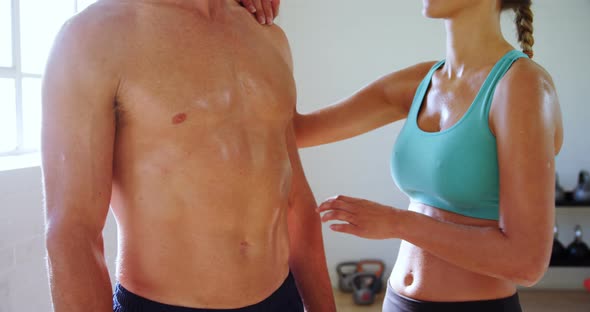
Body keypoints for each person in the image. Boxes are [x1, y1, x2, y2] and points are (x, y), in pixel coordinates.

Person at [41, 1, 335, 311]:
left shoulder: (269, 36)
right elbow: (73, 232)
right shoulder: (92, 36)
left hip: (281, 298)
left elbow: (296, 201)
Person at [285, 0, 562, 311]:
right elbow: (293, 132)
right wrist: (249, 23)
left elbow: (527, 262)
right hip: (396, 301)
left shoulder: (522, 85)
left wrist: (397, 223)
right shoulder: (422, 82)